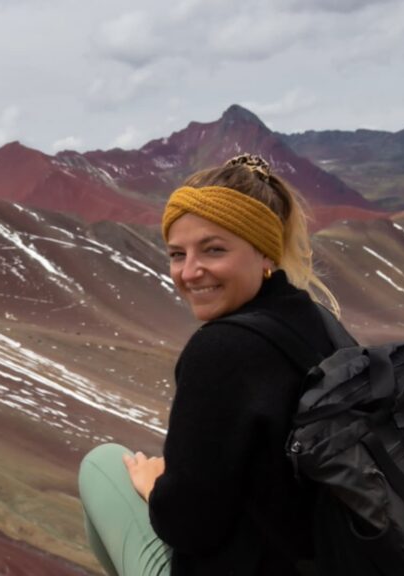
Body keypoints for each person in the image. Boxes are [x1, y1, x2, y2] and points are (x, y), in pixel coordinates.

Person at [78, 153, 340, 576]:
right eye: (176, 254)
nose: (189, 272)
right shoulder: (318, 323)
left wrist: (155, 488)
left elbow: (187, 525)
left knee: (103, 464)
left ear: (265, 253)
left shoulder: (222, 349)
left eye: (213, 250)